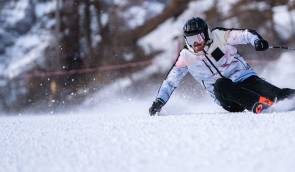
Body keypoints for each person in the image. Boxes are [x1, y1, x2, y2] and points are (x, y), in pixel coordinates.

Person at [149, 17, 295, 115]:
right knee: (221, 84)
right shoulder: (186, 57)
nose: (196, 43)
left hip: (245, 79)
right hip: (227, 98)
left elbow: (245, 34)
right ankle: (259, 105)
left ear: (205, 34)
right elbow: (170, 81)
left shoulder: (219, 36)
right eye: (191, 39)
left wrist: (257, 41)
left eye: (198, 38)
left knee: (275, 93)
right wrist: (159, 101)